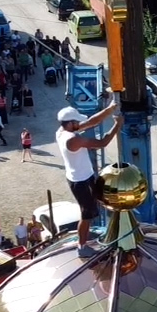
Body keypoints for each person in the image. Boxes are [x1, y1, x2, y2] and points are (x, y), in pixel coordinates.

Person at [56, 103, 123, 256]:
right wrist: (117, 125)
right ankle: (82, 247)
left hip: (82, 177)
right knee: (86, 215)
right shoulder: (73, 140)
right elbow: (102, 143)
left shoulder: (61, 131)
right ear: (71, 123)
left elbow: (92, 122)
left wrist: (110, 109)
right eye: (77, 122)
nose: (79, 124)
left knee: (98, 202)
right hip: (81, 182)